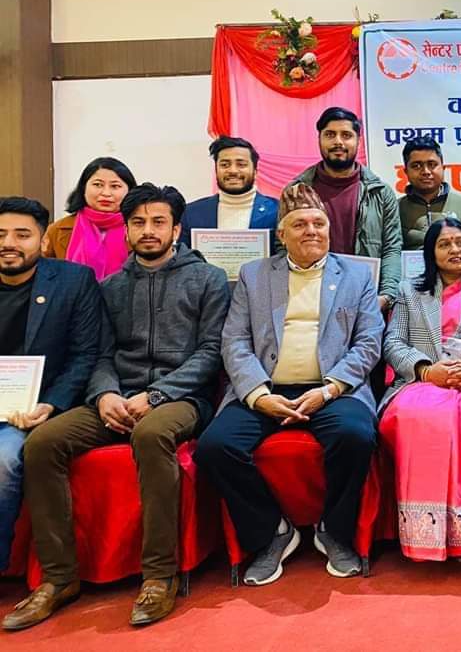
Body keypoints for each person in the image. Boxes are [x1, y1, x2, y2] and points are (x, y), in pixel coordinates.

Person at [6, 184, 229, 631]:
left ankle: (160, 575)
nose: (148, 231)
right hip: (116, 396)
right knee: (44, 443)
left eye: (158, 222)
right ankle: (58, 578)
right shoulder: (110, 286)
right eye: (138, 223)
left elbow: (210, 352)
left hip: (182, 398)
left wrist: (157, 395)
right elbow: (98, 353)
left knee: (151, 434)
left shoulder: (209, 279)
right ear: (126, 230)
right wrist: (105, 394)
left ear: (176, 229)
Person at [195, 183, 382, 585]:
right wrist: (258, 395)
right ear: (281, 234)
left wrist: (329, 389)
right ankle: (272, 532)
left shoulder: (356, 275)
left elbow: (369, 343)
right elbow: (235, 341)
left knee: (355, 436)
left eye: (319, 223)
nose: (311, 230)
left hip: (333, 390)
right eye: (300, 224)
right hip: (266, 389)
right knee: (214, 447)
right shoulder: (254, 275)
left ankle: (334, 530)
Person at [381, 218, 461, 562]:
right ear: (430, 253)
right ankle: (426, 533)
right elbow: (393, 342)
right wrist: (426, 370)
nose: (455, 250)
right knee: (422, 417)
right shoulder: (409, 291)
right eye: (444, 244)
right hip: (425, 380)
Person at [0, 197, 101, 579]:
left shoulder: (73, 282)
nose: (9, 243)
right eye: (0, 234)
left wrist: (51, 404)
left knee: (4, 461)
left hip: (32, 409)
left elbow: (84, 355)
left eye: (21, 234)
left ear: (43, 241)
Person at [291, 107, 401, 311]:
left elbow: (391, 248)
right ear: (319, 138)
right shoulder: (297, 191)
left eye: (346, 135)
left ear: (358, 141)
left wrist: (386, 296)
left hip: (366, 300)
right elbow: (284, 247)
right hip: (309, 298)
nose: (338, 142)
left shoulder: (380, 193)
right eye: (330, 135)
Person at [43, 156, 136, 281]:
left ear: (129, 191)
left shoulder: (139, 228)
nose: (106, 193)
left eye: (115, 186)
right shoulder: (57, 230)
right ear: (84, 188)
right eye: (98, 185)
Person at [179, 136, 279, 251]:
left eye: (241, 164)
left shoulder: (277, 211)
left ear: (255, 172)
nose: (233, 171)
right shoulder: (190, 213)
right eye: (225, 165)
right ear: (216, 170)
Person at [398, 136, 461, 250]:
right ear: (406, 171)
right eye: (416, 166)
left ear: (443, 168)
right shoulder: (395, 209)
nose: (426, 172)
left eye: (432, 164)